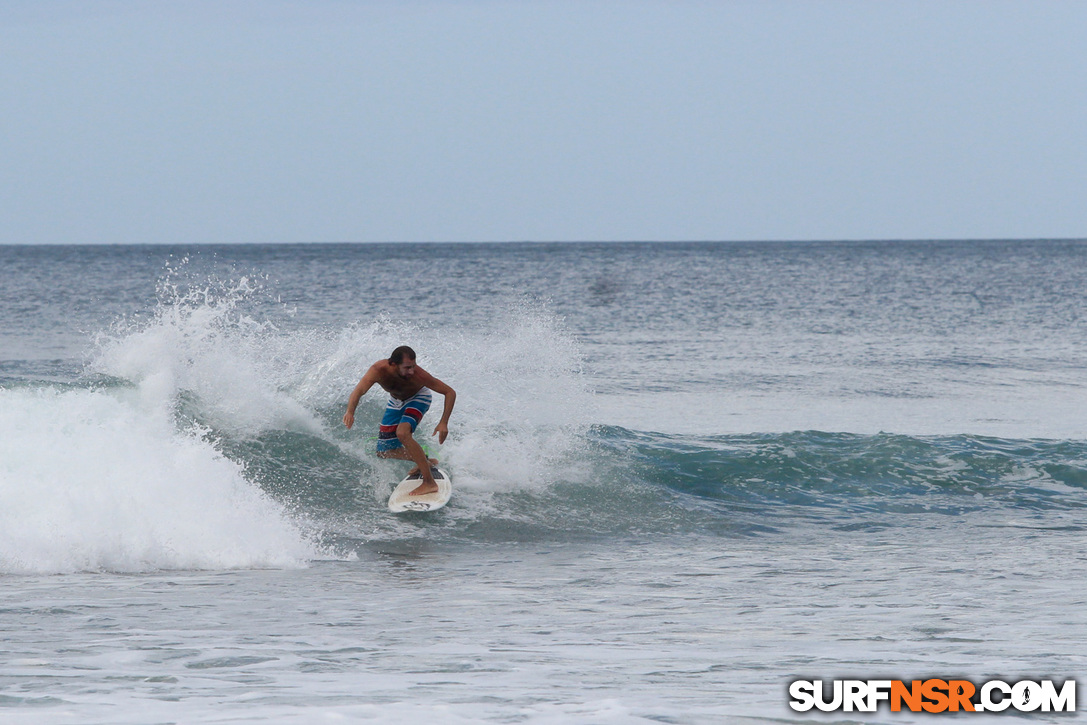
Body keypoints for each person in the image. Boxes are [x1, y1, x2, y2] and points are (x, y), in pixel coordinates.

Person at [343, 346, 456, 496]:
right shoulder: (377, 370)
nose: (411, 371)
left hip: (418, 398)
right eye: (407, 367)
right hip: (396, 402)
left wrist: (443, 422)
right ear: (393, 364)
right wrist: (350, 412)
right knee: (384, 452)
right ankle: (425, 460)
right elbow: (359, 391)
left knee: (403, 433)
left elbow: (450, 392)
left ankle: (429, 483)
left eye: (413, 366)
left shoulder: (419, 375)